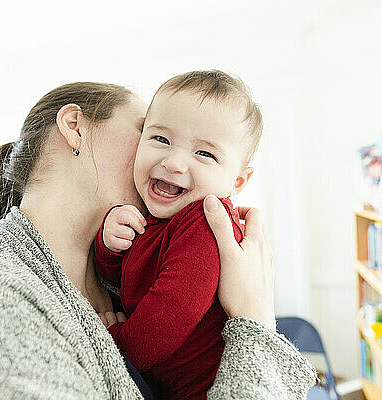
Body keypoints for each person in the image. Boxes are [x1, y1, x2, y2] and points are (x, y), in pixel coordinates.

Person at [0, 81, 316, 399]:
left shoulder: (112, 287)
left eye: (202, 151)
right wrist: (256, 326)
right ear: (75, 126)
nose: (170, 159)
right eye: (153, 131)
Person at [94, 71, 262, 399]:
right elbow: (127, 281)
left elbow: (170, 312)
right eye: (161, 139)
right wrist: (110, 244)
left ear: (237, 182)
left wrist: (111, 341)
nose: (173, 163)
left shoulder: (204, 221)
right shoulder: (156, 218)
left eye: (205, 154)